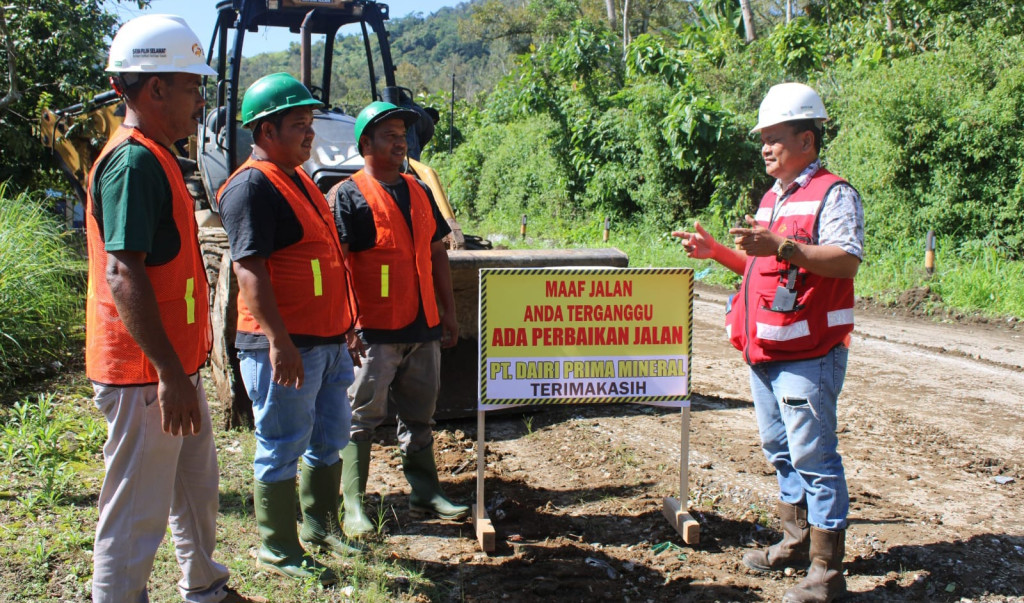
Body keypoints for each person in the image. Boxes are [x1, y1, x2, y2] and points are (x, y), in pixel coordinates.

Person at [85, 14, 260, 603]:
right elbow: (122, 271)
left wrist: (179, 370)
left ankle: (206, 586)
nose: (200, 101)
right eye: (193, 86)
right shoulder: (133, 162)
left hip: (171, 368)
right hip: (145, 373)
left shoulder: (156, 155)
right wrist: (166, 373)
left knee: (194, 487)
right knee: (136, 510)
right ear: (155, 88)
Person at [673, 82, 863, 603]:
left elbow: (846, 259)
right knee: (781, 450)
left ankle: (826, 574)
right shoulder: (773, 196)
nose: (764, 148)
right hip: (766, 350)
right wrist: (716, 252)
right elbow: (762, 266)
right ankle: (795, 543)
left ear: (806, 140)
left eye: (774, 138)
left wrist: (782, 244)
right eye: (763, 139)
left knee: (813, 454)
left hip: (809, 351)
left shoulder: (834, 193)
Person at [217, 72, 361, 585]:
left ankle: (320, 527)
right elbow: (249, 270)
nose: (310, 135)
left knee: (331, 436)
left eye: (309, 125)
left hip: (326, 340)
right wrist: (280, 342)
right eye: (298, 125)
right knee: (281, 443)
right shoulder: (252, 186)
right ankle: (278, 546)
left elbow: (323, 262)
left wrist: (345, 326)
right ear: (264, 130)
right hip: (283, 345)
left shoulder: (299, 176)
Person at [331, 101, 468, 539]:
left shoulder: (419, 189)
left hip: (422, 324)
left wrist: (448, 312)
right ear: (365, 143)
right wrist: (348, 323)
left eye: (402, 134)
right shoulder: (347, 195)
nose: (400, 141)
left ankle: (425, 492)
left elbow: (435, 254)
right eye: (389, 135)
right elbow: (339, 265)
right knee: (360, 419)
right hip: (373, 330)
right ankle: (353, 503)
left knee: (421, 415)